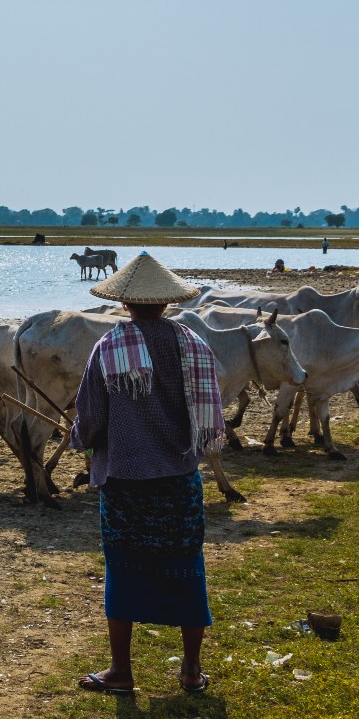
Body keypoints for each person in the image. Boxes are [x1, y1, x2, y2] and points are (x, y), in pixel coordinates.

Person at [70, 252, 223, 696]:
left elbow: (92, 418)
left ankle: (121, 672)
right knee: (187, 568)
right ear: (167, 303)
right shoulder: (194, 345)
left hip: (125, 481)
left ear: (125, 304)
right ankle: (191, 671)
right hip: (179, 477)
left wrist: (82, 436)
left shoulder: (108, 348)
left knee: (124, 569)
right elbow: (206, 410)